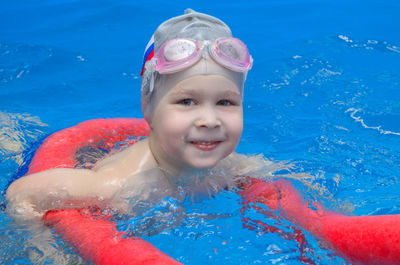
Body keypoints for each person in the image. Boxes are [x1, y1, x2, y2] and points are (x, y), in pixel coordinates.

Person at [6, 9, 400, 265]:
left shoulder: (228, 167)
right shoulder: (118, 185)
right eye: (187, 101)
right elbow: (22, 195)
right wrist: (45, 249)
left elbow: (274, 173)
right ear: (148, 109)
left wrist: (324, 202)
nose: (209, 120)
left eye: (226, 103)